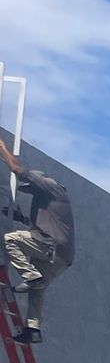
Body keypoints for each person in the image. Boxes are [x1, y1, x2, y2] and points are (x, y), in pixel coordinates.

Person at [1, 137, 75, 344]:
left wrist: (2, 148)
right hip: (62, 256)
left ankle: (31, 276)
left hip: (51, 246)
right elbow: (42, 225)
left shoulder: (49, 185)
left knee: (11, 239)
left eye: (32, 187)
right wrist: (20, 218)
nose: (30, 189)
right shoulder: (49, 202)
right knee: (38, 290)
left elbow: (17, 168)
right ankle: (32, 329)